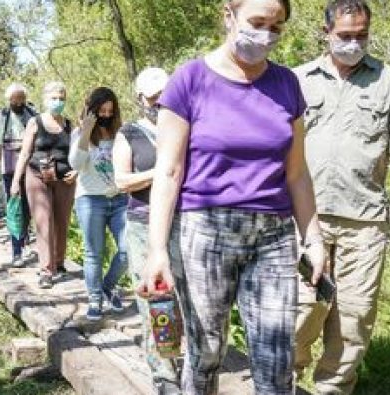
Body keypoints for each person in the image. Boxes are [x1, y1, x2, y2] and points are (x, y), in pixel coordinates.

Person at [140, 0, 329, 393]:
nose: (266, 35)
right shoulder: (189, 80)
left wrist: (313, 239)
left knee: (276, 359)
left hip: (273, 235)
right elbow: (169, 171)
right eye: (257, 22)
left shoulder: (286, 84)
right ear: (228, 16)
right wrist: (157, 250)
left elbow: (297, 173)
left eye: (276, 26)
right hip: (205, 231)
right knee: (207, 352)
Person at [293, 1, 390, 393]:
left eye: (361, 36)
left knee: (353, 319)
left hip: (365, 223)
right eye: (345, 36)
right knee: (301, 309)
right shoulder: (298, 80)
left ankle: (333, 389)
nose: (353, 44)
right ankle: (281, 380)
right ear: (325, 33)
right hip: (306, 219)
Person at [113, 67, 181, 393]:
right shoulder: (129, 133)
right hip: (143, 223)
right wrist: (162, 172)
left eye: (164, 95)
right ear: (141, 99)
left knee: (186, 299)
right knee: (156, 300)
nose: (160, 102)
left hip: (184, 221)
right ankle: (165, 375)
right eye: (154, 98)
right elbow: (121, 181)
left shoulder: (184, 126)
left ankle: (181, 358)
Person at [10, 81, 77, 289]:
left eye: (61, 98)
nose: (57, 102)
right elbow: (24, 153)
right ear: (45, 99)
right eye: (53, 98)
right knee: (44, 220)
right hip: (37, 176)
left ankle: (59, 261)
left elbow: (79, 154)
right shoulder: (35, 122)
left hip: (64, 179)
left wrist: (77, 171)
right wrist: (16, 181)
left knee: (62, 221)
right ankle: (46, 270)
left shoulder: (69, 125)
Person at [69, 87, 128, 321]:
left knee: (127, 249)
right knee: (94, 252)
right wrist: (86, 131)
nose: (106, 115)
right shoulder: (79, 133)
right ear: (92, 110)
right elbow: (75, 164)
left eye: (110, 111)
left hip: (119, 198)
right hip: (90, 199)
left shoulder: (120, 133)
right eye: (101, 111)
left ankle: (107, 286)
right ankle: (94, 298)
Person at [0, 83, 37, 267]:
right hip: (9, 171)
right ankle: (16, 251)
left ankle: (24, 236)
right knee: (15, 209)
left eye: (21, 99)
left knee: (28, 209)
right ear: (9, 99)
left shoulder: (33, 116)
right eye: (15, 99)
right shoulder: (1, 118)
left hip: (31, 169)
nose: (18, 103)